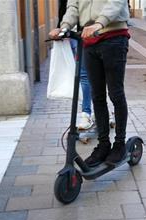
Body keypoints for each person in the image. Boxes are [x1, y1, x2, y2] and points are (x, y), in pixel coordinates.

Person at [49, 0, 130, 167]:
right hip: (88, 40)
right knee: (97, 96)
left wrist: (100, 22)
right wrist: (64, 27)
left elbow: (117, 2)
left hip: (113, 35)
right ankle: (103, 145)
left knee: (115, 93)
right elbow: (73, 6)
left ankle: (120, 144)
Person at [56, 0, 93, 130]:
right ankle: (87, 113)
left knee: (99, 76)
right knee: (84, 75)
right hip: (78, 34)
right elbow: (68, 8)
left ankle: (100, 112)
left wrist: (100, 23)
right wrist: (62, 28)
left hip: (103, 34)